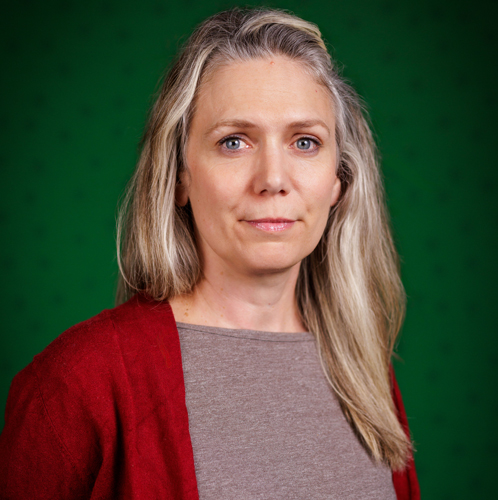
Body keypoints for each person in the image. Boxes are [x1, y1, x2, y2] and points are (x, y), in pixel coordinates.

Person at [0, 7, 419, 499]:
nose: (273, 180)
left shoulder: (364, 373)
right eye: (234, 142)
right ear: (179, 175)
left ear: (338, 181)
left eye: (305, 142)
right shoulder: (78, 383)